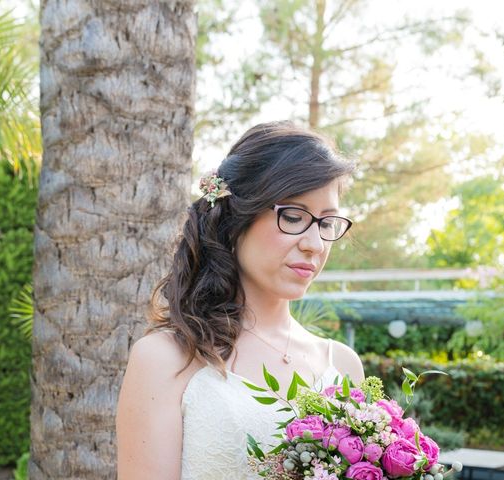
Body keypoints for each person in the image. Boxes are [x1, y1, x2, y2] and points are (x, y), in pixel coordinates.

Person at [116, 121, 365, 479]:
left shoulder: (343, 365)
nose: (315, 244)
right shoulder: (165, 359)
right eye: (294, 217)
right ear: (235, 218)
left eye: (327, 223)